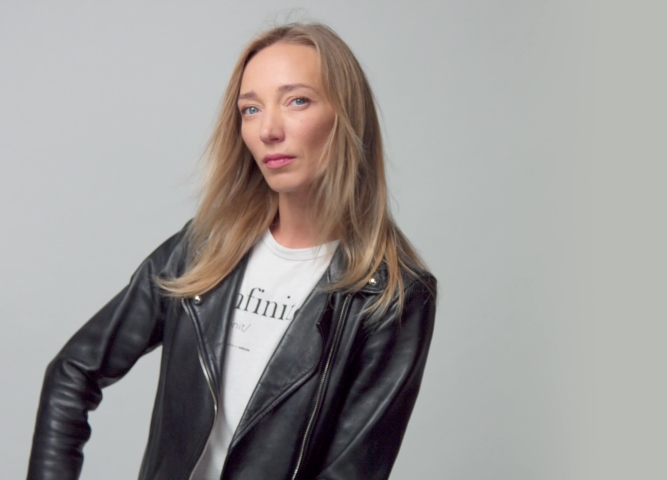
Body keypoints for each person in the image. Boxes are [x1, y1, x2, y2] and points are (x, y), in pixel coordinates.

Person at [27, 22, 436, 480]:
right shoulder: (202, 249)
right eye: (251, 109)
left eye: (297, 100)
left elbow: (352, 471)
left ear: (347, 116)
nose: (269, 129)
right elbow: (73, 370)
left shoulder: (392, 296)